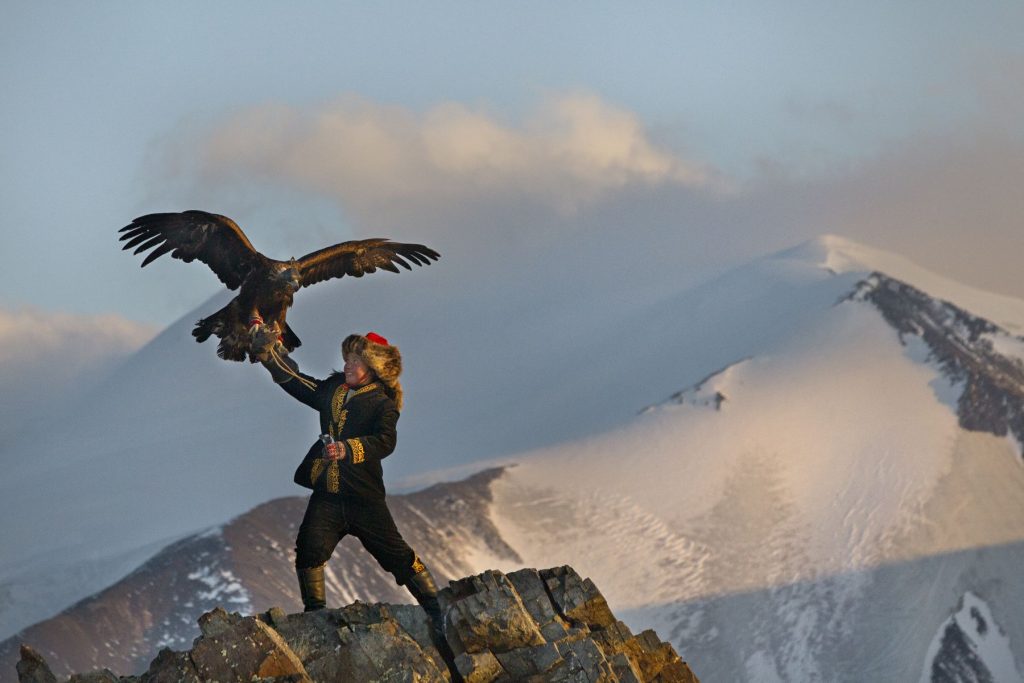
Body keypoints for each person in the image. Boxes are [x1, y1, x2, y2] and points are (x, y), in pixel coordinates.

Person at [250, 324, 448, 641]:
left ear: (373, 367)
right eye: (348, 359)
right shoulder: (334, 390)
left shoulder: (383, 403)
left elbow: (385, 442)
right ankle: (315, 616)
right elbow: (301, 384)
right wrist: (269, 356)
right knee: (308, 550)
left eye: (355, 361)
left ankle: (439, 612)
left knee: (396, 556)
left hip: (364, 499)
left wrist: (347, 449)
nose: (347, 365)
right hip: (327, 495)